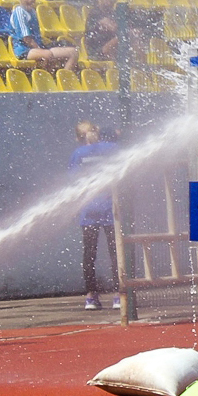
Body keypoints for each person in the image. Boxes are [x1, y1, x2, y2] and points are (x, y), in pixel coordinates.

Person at [69, 120, 119, 310]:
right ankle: (118, 295)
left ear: (77, 138)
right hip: (111, 208)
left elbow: (73, 181)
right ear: (97, 131)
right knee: (117, 253)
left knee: (89, 254)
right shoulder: (113, 148)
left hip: (88, 211)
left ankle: (91, 296)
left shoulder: (77, 154)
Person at [9, 0, 80, 70]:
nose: (31, 0)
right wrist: (40, 49)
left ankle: (64, 79)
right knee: (47, 55)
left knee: (73, 52)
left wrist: (41, 48)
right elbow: (27, 39)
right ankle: (47, 78)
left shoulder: (32, 12)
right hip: (24, 50)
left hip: (39, 48)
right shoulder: (19, 12)